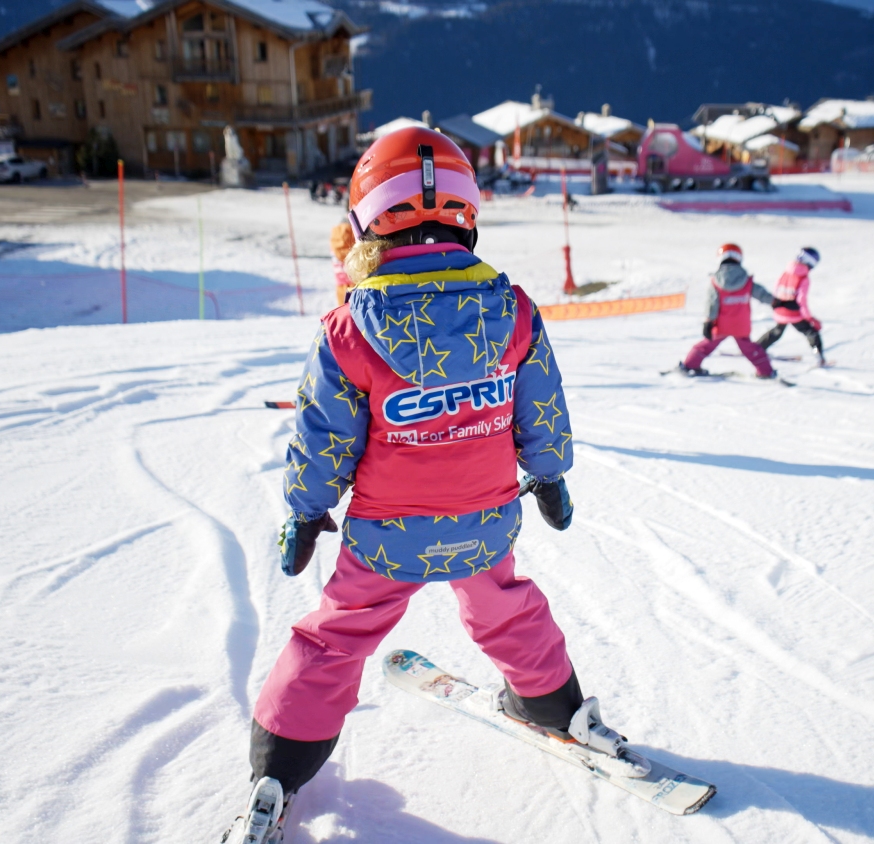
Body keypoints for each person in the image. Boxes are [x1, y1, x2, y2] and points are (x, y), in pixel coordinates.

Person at [220, 127, 639, 844]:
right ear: (466, 216)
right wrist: (548, 472)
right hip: (484, 524)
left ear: (365, 221)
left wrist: (307, 509)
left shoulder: (350, 329)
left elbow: (322, 436)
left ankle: (279, 769)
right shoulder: (511, 309)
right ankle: (555, 707)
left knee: (336, 637)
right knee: (506, 608)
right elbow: (541, 403)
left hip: (387, 536)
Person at [678, 243, 778, 378]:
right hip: (741, 326)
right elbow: (762, 294)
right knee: (751, 349)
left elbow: (712, 303)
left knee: (705, 346)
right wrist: (778, 302)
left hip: (721, 325)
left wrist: (708, 321)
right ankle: (765, 372)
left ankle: (690, 365)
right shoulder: (747, 281)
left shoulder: (715, 281)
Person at [755, 247, 826, 366]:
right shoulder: (803, 277)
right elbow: (801, 301)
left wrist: (777, 305)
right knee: (810, 331)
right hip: (794, 313)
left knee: (777, 331)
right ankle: (819, 355)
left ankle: (756, 349)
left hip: (780, 309)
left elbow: (776, 289)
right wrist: (809, 318)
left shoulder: (786, 272)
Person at [329, 221, 355, 306]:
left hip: (340, 286)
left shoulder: (335, 236)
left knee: (343, 315)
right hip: (357, 285)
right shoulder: (353, 234)